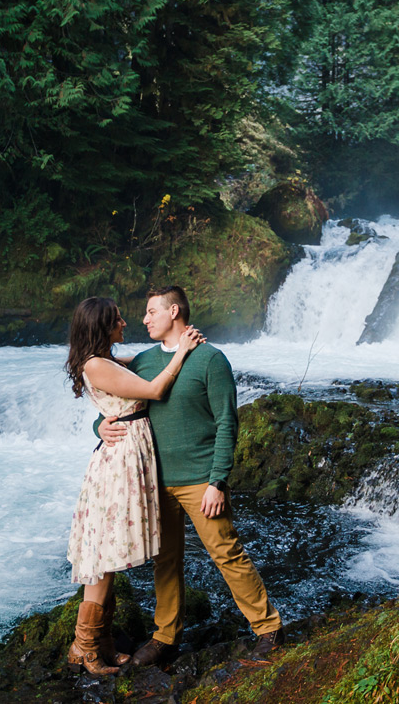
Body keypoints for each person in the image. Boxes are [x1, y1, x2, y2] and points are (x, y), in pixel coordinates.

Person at [97, 285, 284, 666]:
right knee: (165, 561)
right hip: (153, 480)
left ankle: (269, 629)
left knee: (226, 553)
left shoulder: (212, 360)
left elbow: (227, 424)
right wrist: (98, 428)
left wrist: (218, 481)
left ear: (175, 311)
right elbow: (114, 405)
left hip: (200, 480)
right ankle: (166, 637)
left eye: (152, 311)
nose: (144, 319)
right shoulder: (145, 362)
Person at [63, 296, 202, 675]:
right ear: (103, 326)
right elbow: (154, 390)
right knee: (104, 555)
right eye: (118, 319)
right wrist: (183, 351)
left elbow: (135, 373)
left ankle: (100, 643)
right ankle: (86, 648)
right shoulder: (96, 364)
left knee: (107, 554)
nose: (126, 323)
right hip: (119, 461)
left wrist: (172, 347)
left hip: (127, 455)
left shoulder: (103, 361)